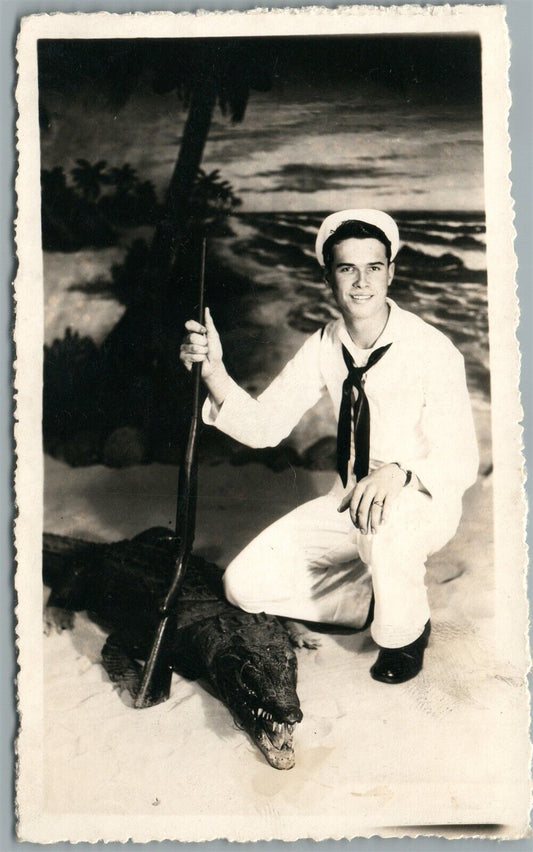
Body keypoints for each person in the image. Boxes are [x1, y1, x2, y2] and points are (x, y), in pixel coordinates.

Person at [180, 209, 479, 684]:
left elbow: (462, 457)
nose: (361, 282)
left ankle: (405, 634)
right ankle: (364, 600)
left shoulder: (432, 349)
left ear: (391, 272)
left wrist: (399, 472)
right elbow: (265, 427)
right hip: (347, 497)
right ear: (328, 277)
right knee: (242, 585)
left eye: (373, 267)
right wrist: (214, 372)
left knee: (387, 533)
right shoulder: (324, 343)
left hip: (418, 499)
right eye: (347, 269)